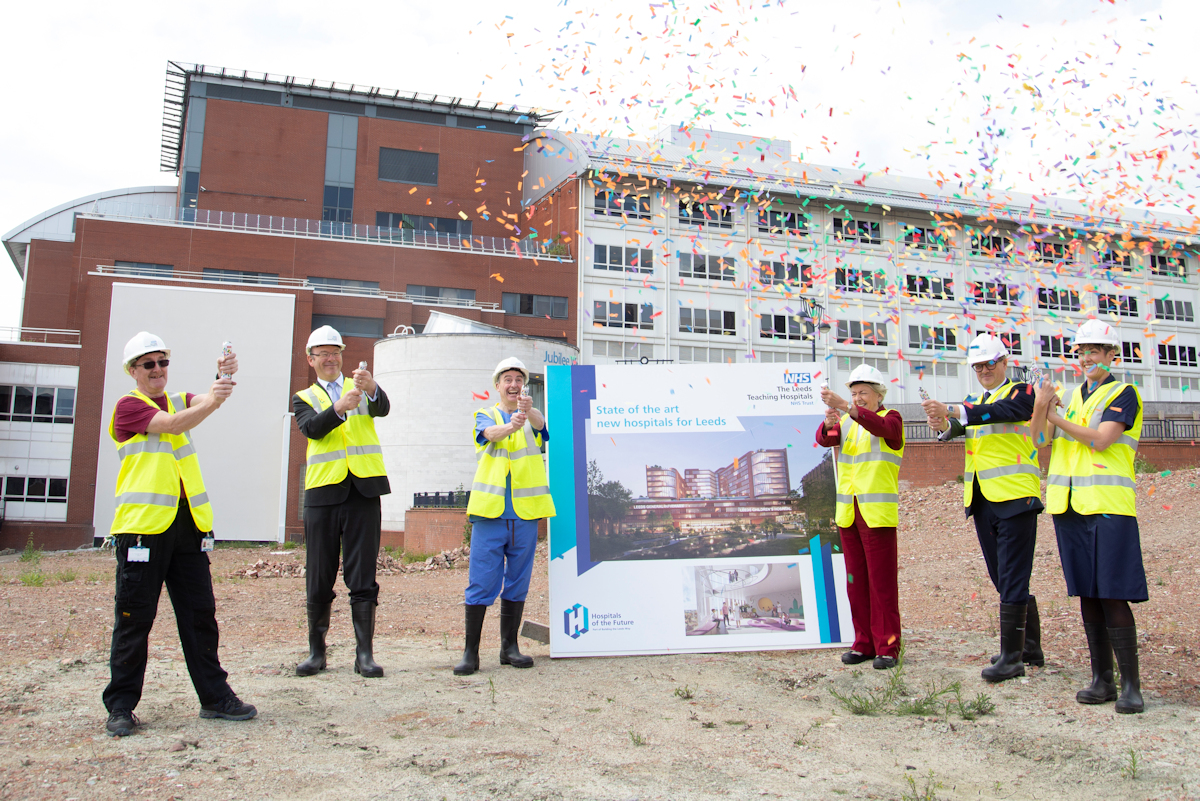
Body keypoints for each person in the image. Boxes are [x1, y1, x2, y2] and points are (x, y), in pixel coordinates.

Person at [102, 331, 257, 737]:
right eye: (148, 364)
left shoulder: (177, 398)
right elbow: (172, 425)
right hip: (142, 531)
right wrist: (215, 399)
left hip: (187, 527)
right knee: (134, 619)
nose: (157, 370)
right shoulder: (128, 407)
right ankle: (120, 706)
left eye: (163, 362)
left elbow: (201, 403)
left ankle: (215, 699)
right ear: (133, 370)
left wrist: (219, 382)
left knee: (200, 616)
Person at [1030, 320, 1148, 714]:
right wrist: (1040, 404)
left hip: (1108, 505)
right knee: (1088, 593)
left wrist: (1057, 416)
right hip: (1069, 506)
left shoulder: (1123, 392)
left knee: (1112, 591)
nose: (1087, 358)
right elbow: (1039, 440)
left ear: (1113, 354)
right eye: (1081, 351)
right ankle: (1102, 680)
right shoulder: (1074, 397)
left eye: (1095, 351)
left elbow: (1101, 439)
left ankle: (1131, 685)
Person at [921, 334, 1044, 683]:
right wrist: (942, 422)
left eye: (989, 363)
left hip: (1016, 496)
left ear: (1004, 361)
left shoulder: (1022, 393)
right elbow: (959, 427)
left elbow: (1007, 413)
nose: (984, 370)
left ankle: (1011, 658)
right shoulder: (974, 400)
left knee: (1014, 575)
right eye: (977, 366)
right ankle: (1028, 647)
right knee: (1002, 576)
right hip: (982, 498)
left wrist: (956, 412)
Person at [292, 325, 391, 679]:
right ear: (311, 360)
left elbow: (383, 408)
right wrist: (338, 407)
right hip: (323, 495)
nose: (330, 358)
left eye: (336, 352)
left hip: (363, 491)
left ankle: (364, 654)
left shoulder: (360, 386)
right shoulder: (303, 396)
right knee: (319, 575)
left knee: (362, 574)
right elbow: (311, 429)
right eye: (323, 353)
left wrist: (373, 387)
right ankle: (317, 653)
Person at [453, 357, 555, 675]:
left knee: (518, 582)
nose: (513, 384)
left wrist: (527, 411)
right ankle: (471, 653)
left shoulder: (532, 416)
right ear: (497, 385)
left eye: (518, 379)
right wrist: (512, 423)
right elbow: (489, 434)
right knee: (481, 582)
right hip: (491, 514)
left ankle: (509, 648)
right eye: (507, 379)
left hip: (524, 515)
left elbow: (542, 427)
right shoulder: (485, 414)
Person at [817, 364, 905, 670]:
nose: (858, 398)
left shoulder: (891, 418)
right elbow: (826, 440)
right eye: (854, 393)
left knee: (881, 583)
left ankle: (888, 646)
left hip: (876, 513)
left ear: (879, 395)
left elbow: (883, 431)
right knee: (855, 582)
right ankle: (863, 642)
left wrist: (844, 406)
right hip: (849, 513)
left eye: (863, 393)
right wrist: (829, 421)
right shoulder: (847, 420)